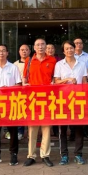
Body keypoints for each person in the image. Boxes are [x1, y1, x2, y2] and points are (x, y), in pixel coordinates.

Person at [53, 40, 88, 165]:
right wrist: (67, 79)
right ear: (63, 51)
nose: (69, 50)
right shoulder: (59, 65)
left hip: (78, 99)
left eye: (71, 48)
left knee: (79, 128)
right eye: (67, 48)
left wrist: (85, 96)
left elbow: (84, 81)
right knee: (63, 128)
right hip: (63, 99)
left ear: (75, 49)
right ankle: (64, 155)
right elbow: (56, 81)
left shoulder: (82, 64)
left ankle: (78, 154)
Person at [23, 38, 56, 167]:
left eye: (43, 44)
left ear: (46, 46)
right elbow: (25, 78)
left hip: (47, 98)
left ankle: (45, 155)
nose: (40, 46)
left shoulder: (52, 60)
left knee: (46, 128)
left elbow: (55, 78)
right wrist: (25, 84)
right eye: (38, 45)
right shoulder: (29, 60)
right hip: (33, 99)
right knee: (32, 128)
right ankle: (31, 155)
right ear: (34, 47)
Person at [11, 44, 31, 141]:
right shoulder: (14, 65)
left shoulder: (33, 62)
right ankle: (20, 132)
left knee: (31, 112)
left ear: (29, 51)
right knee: (20, 112)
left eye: (26, 50)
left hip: (31, 92)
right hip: (19, 93)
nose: (24, 51)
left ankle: (30, 133)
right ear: (19, 52)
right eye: (22, 50)